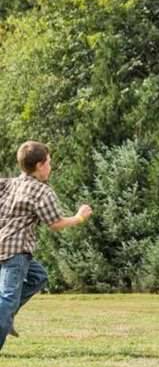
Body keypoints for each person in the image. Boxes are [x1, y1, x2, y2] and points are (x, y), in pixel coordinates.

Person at [0, 141, 93, 353]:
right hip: (16, 252)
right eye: (50, 163)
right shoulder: (42, 191)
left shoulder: (9, 184)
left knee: (39, 276)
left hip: (2, 247)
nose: (51, 167)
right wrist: (79, 218)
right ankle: (5, 315)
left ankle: (7, 313)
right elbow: (55, 223)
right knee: (6, 301)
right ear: (40, 165)